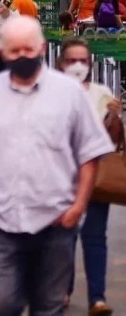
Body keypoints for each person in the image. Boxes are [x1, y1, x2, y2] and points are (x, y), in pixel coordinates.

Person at [0, 16, 114, 315]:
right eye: (15, 51)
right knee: (0, 304)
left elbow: (91, 153)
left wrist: (78, 206)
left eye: (28, 49)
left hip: (55, 223)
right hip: (1, 223)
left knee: (49, 306)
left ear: (41, 48)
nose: (23, 56)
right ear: (3, 53)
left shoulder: (69, 94)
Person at [58, 37, 121, 315]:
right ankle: (62, 290)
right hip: (60, 176)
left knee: (95, 236)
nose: (78, 66)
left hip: (94, 176)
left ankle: (97, 297)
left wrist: (114, 118)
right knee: (63, 236)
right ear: (61, 64)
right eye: (72, 60)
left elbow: (112, 139)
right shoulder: (50, 92)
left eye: (83, 61)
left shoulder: (101, 93)